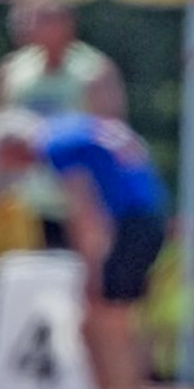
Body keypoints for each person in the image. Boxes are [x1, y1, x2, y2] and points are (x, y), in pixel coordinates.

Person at [0, 110, 167, 389]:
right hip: (145, 217)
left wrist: (90, 267)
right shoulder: (70, 126)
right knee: (110, 322)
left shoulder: (54, 146)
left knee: (106, 324)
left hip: (129, 225)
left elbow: (84, 209)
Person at [0, 0, 127, 249]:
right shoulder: (13, 71)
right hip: (26, 205)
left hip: (80, 203)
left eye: (41, 18)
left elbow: (112, 137)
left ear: (67, 23)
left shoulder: (93, 72)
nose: (28, 24)